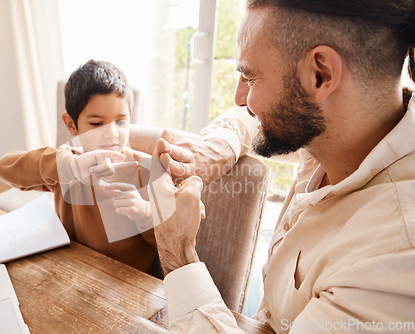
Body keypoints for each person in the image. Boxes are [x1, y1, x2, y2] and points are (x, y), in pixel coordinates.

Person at [149, 0, 415, 332]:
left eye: (250, 77)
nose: (238, 97)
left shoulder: (390, 261)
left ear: (320, 75)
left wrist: (178, 251)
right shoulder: (340, 127)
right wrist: (216, 149)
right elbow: (244, 119)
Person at [0, 60, 159, 275]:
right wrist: (69, 167)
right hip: (73, 273)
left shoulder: (143, 170)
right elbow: (4, 168)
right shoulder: (66, 164)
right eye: (96, 124)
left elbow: (165, 244)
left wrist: (145, 214)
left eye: (120, 122)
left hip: (128, 284)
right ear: (71, 125)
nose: (112, 134)